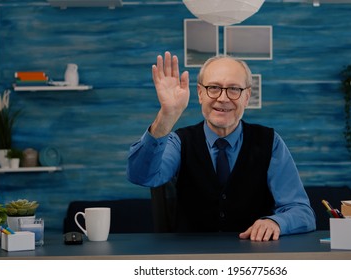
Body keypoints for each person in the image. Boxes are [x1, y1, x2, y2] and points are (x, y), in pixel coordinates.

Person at [127, 51, 315, 242]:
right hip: (190, 259)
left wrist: (277, 222)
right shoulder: (179, 141)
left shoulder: (270, 142)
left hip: (254, 259)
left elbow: (302, 212)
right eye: (214, 88)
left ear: (247, 97)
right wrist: (166, 116)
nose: (223, 98)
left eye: (234, 89)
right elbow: (141, 176)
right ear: (200, 93)